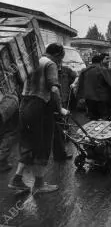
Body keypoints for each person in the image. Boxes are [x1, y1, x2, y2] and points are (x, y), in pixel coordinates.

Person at [8, 43, 69, 193]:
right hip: (39, 107)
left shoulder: (33, 61)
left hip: (24, 104)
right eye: (61, 58)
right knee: (42, 145)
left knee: (28, 143)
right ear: (58, 55)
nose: (61, 61)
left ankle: (17, 179)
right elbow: (54, 88)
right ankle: (39, 185)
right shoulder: (50, 64)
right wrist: (60, 108)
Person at [77, 54, 111, 120]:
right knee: (104, 120)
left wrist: (80, 98)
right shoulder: (103, 70)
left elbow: (80, 85)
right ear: (100, 62)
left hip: (89, 100)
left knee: (92, 120)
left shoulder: (84, 71)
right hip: (102, 100)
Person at [52, 65, 78, 162]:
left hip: (64, 99)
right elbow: (54, 90)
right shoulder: (49, 69)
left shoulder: (66, 70)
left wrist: (73, 84)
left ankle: (61, 150)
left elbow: (76, 76)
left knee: (61, 124)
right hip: (54, 103)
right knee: (57, 127)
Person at [0, 93, 19, 172]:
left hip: (8, 99)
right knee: (10, 132)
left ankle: (2, 161)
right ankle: (1, 162)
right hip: (9, 99)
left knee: (8, 131)